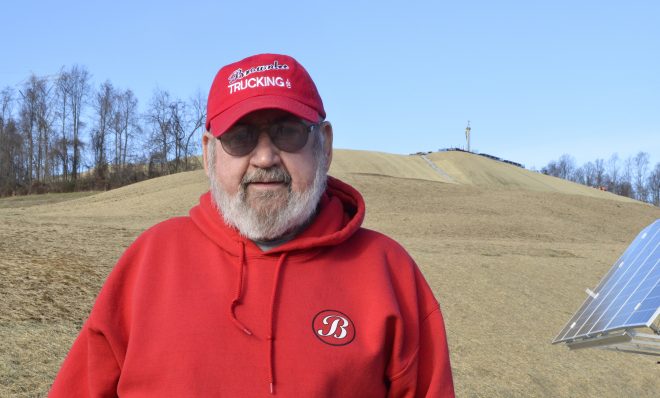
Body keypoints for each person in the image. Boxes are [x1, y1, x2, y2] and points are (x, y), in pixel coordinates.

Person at [50, 53, 454, 397]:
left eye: (287, 133)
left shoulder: (388, 272)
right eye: (240, 137)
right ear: (208, 154)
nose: (264, 158)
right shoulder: (149, 261)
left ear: (325, 146)